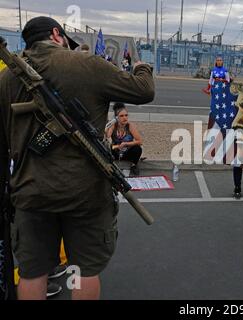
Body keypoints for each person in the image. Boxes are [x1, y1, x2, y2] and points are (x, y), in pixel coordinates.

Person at [0, 16, 155, 300]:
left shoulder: (6, 79)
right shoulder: (88, 65)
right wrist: (142, 65)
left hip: (30, 192)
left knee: (32, 273)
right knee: (83, 271)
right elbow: (144, 90)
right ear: (57, 34)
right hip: (85, 193)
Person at [106, 103, 143, 176]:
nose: (125, 118)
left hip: (127, 152)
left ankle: (133, 165)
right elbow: (107, 136)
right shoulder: (114, 125)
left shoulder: (130, 126)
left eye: (126, 115)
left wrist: (126, 144)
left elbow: (140, 141)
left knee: (138, 149)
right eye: (121, 116)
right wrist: (108, 126)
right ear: (116, 117)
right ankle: (110, 164)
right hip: (116, 151)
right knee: (106, 147)